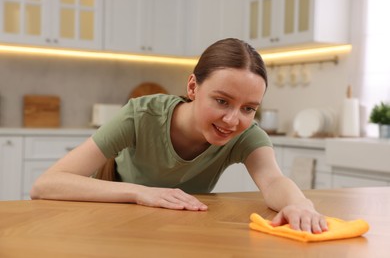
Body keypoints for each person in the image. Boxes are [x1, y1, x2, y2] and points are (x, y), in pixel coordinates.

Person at [31, 38, 328, 234]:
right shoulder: (141, 116)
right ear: (192, 87)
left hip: (179, 232)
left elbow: (274, 180)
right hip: (111, 227)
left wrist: (300, 205)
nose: (232, 120)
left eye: (249, 108)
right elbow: (46, 185)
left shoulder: (246, 134)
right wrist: (140, 192)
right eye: (222, 101)